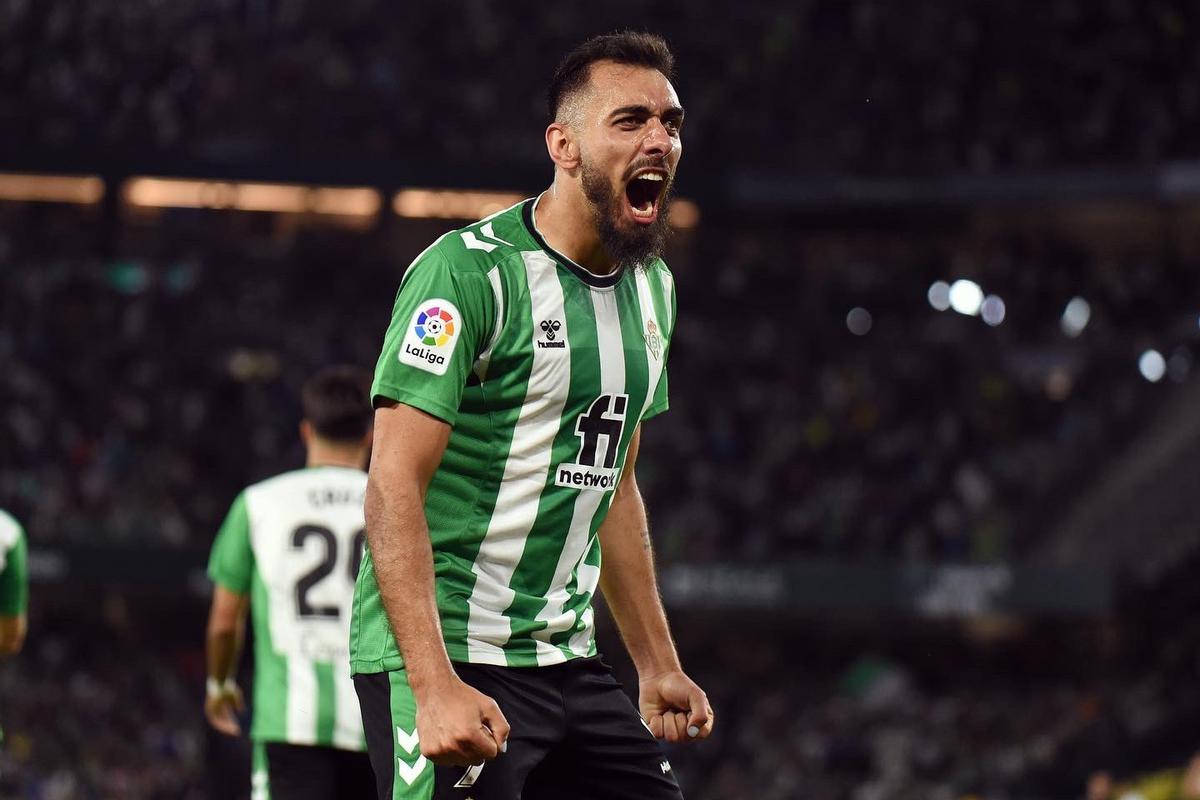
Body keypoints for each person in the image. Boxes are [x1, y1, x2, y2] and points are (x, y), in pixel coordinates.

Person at [350, 31, 712, 800]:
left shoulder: (655, 291)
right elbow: (391, 484)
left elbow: (611, 480)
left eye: (671, 122)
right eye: (630, 120)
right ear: (564, 144)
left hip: (567, 662)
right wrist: (432, 683)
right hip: (454, 652)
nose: (659, 139)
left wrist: (656, 662)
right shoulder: (469, 273)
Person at [206, 366, 377, 799]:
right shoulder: (394, 505)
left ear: (305, 431)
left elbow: (226, 621)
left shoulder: (259, 504)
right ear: (370, 433)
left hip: (290, 720)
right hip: (376, 720)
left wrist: (220, 685)